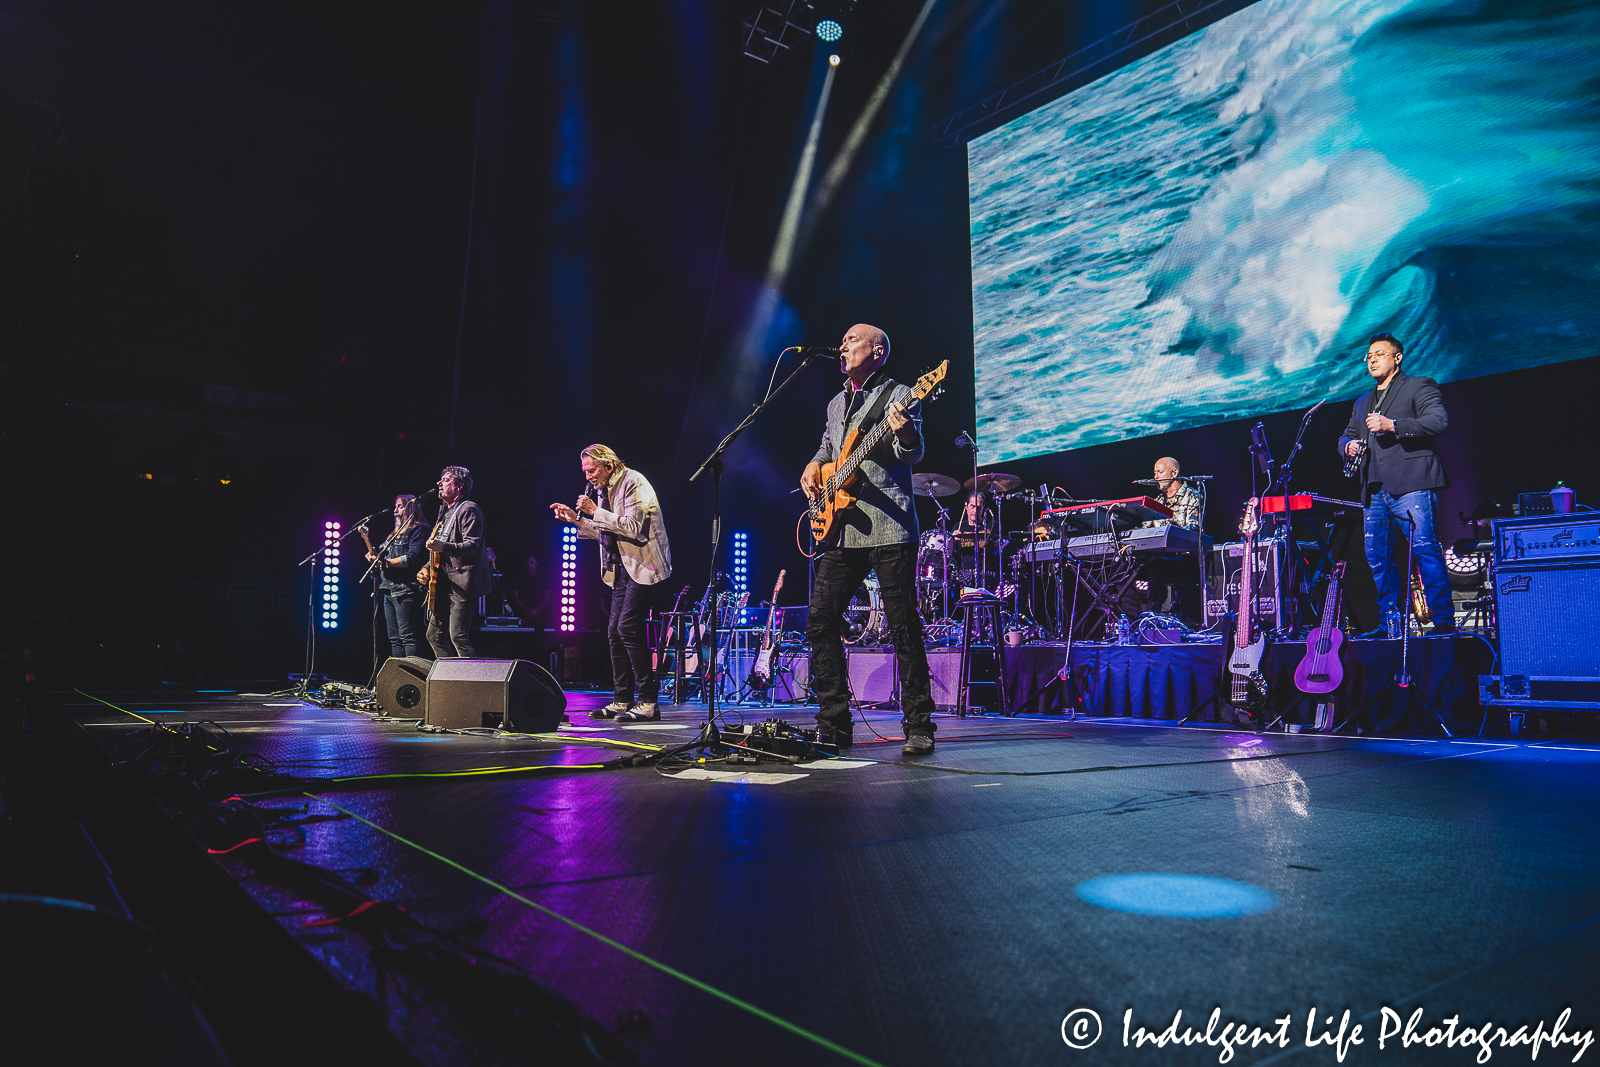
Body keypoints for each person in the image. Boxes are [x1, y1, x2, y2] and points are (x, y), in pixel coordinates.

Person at [800, 323, 938, 757]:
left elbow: (910, 453)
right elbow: (829, 448)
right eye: (841, 340)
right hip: (842, 527)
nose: (842, 344)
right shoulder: (836, 402)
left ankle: (919, 724)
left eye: (852, 339)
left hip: (890, 527)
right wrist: (813, 465)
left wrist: (906, 433)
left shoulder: (901, 394)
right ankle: (833, 724)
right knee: (819, 620)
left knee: (902, 626)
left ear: (878, 351)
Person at [1337, 333, 1454, 635]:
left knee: (1425, 549)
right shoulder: (1362, 403)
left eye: (1379, 354)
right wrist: (1348, 446)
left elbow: (1439, 421)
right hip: (1374, 490)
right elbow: (1346, 435)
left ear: (1397, 358)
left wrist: (1395, 426)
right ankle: (1391, 626)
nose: (1372, 359)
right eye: (1369, 356)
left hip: (1412, 483)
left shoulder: (1418, 385)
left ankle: (1443, 622)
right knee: (1377, 558)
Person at [550, 444, 672, 722]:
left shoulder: (633, 482)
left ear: (609, 465)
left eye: (592, 470)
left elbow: (631, 527)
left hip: (644, 565)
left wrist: (594, 510)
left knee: (627, 627)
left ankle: (648, 702)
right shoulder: (605, 491)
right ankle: (622, 699)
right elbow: (608, 532)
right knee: (614, 632)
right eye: (585, 471)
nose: (588, 477)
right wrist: (577, 521)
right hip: (620, 568)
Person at [420, 466, 492, 658]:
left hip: (462, 584)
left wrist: (442, 546)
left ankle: (470, 684)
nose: (439, 483)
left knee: (458, 636)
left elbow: (472, 546)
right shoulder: (446, 511)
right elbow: (440, 550)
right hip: (444, 583)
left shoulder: (469, 509)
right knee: (434, 635)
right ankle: (450, 679)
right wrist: (426, 568)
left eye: (445, 479)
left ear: (459, 486)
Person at [369, 494, 430, 659]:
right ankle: (399, 679)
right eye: (395, 507)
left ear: (410, 508)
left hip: (406, 589)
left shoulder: (420, 529)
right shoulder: (392, 535)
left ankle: (412, 679)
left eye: (400, 506)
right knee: (394, 639)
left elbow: (412, 558)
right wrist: (373, 556)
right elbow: (382, 556)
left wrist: (385, 562)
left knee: (407, 636)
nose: (395, 511)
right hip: (388, 588)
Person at [953, 490, 997, 588]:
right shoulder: (959, 526)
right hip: (964, 573)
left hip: (987, 573)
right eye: (972, 507)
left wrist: (996, 543)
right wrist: (952, 541)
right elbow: (949, 553)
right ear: (966, 507)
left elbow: (1001, 548)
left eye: (978, 508)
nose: (975, 511)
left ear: (983, 508)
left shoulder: (992, 525)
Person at [1142, 457, 1201, 530]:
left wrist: (1169, 533)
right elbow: (1144, 528)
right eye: (1155, 473)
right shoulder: (1157, 501)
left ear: (1174, 473)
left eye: (1160, 472)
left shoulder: (1192, 496)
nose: (1156, 477)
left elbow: (1193, 527)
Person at [506, 555, 549, 625]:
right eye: (527, 563)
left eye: (531, 562)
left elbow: (547, 596)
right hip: (522, 613)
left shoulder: (542, 579)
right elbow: (515, 596)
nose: (529, 565)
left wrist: (537, 609)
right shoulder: (519, 578)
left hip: (539, 614)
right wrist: (526, 609)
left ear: (536, 564)